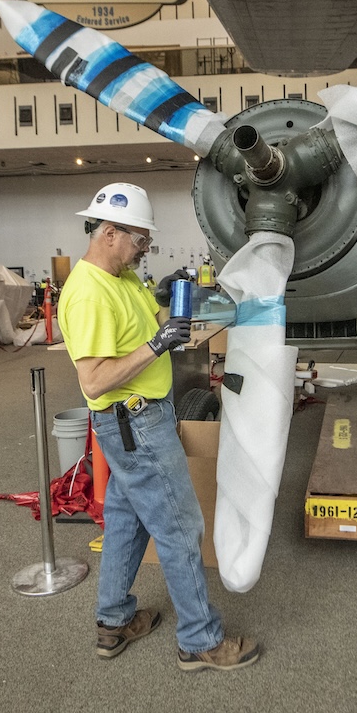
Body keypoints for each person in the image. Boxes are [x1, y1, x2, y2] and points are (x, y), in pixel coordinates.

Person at [57, 182, 260, 672]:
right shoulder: (88, 293)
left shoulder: (123, 277)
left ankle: (113, 622)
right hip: (134, 424)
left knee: (127, 523)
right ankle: (200, 640)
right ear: (109, 232)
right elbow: (95, 379)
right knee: (179, 527)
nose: (144, 248)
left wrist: (169, 304)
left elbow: (147, 323)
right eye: (139, 239)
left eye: (147, 240)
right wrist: (157, 346)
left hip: (142, 422)